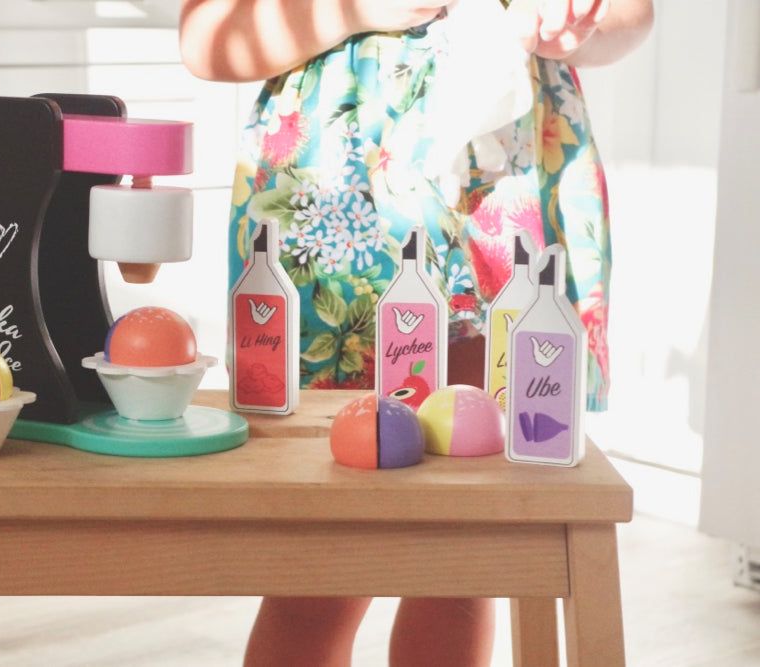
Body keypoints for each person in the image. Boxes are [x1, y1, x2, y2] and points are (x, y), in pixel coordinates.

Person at [179, 1, 654, 665]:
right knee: (318, 571)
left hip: (498, 197)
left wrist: (576, 26)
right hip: (334, 223)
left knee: (459, 556)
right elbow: (205, 39)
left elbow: (632, 15)